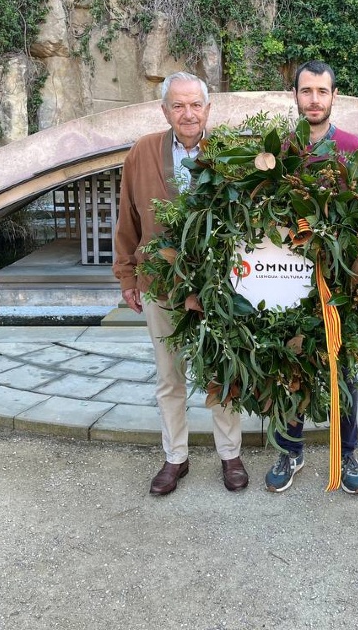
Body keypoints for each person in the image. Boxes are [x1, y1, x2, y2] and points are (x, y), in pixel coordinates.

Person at [113, 72, 248, 496]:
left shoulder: (228, 153)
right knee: (170, 376)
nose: (187, 113)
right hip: (160, 283)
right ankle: (176, 456)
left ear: (208, 109)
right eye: (178, 105)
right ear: (165, 110)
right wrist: (127, 275)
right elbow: (127, 220)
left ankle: (230, 454)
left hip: (219, 288)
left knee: (224, 369)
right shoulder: (142, 153)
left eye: (195, 105)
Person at [263, 60, 358, 495]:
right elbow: (265, 216)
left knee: (341, 365)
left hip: (338, 282)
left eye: (321, 92)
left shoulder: (351, 146)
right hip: (290, 283)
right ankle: (290, 449)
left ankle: (345, 454)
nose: (313, 100)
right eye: (306, 91)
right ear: (295, 96)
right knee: (293, 365)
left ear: (333, 95)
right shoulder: (280, 149)